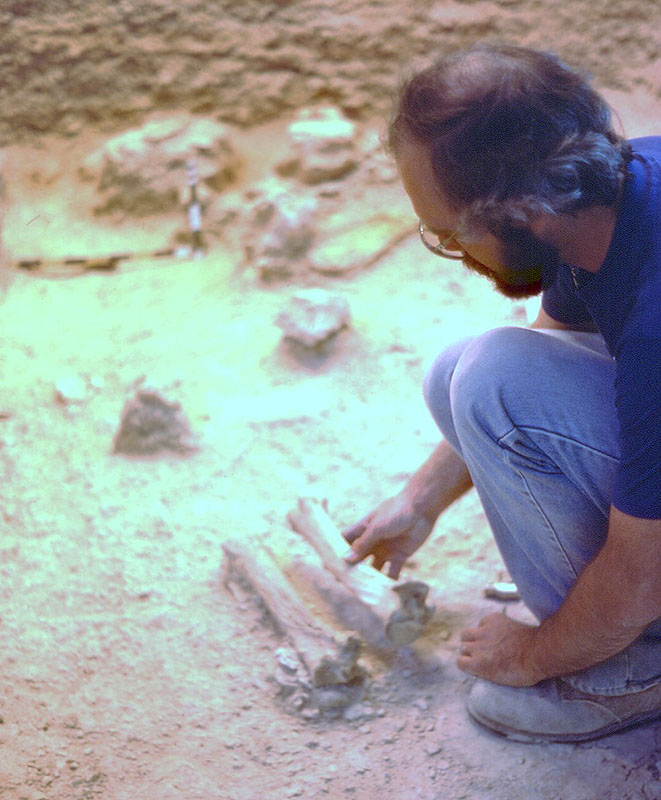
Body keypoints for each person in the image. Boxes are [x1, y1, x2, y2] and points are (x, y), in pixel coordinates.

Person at [342, 43, 661, 743]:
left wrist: (532, 654)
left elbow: (642, 576)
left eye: (448, 234)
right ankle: (592, 615)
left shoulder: (654, 322)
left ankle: (628, 675)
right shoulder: (599, 198)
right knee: (463, 370)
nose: (450, 252)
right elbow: (549, 349)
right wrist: (418, 500)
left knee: (492, 378)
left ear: (523, 214)